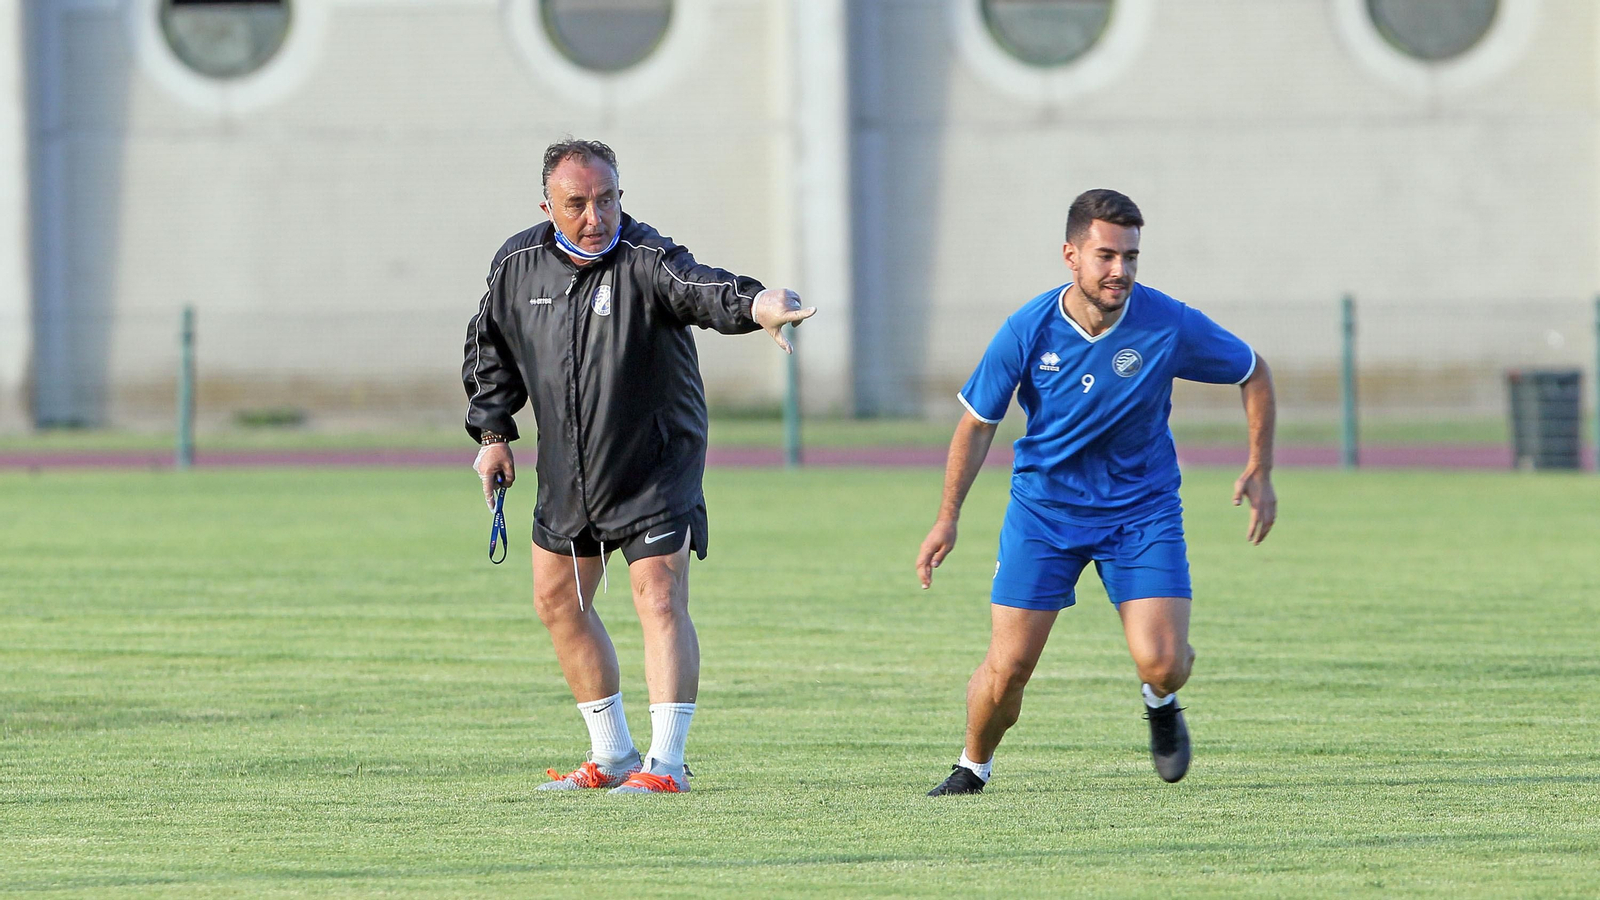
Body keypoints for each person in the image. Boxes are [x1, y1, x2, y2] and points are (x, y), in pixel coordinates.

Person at [463, 138, 815, 795]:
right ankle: (614, 755)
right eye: (577, 204)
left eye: (607, 200)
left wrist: (756, 304)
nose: (595, 217)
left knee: (658, 595)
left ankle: (666, 766)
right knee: (558, 602)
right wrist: (492, 434)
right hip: (570, 470)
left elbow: (701, 288)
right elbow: (490, 353)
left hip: (656, 464)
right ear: (547, 207)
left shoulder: (646, 258)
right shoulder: (517, 266)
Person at [916, 189, 1276, 795]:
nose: (1120, 270)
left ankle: (1160, 700)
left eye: (1131, 257)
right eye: (1106, 255)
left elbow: (1252, 371)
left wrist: (1259, 467)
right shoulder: (1027, 329)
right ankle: (972, 766)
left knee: (1165, 663)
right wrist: (947, 516)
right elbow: (977, 425)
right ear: (1071, 255)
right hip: (1045, 514)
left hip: (1141, 513)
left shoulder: (1166, 322)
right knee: (1008, 670)